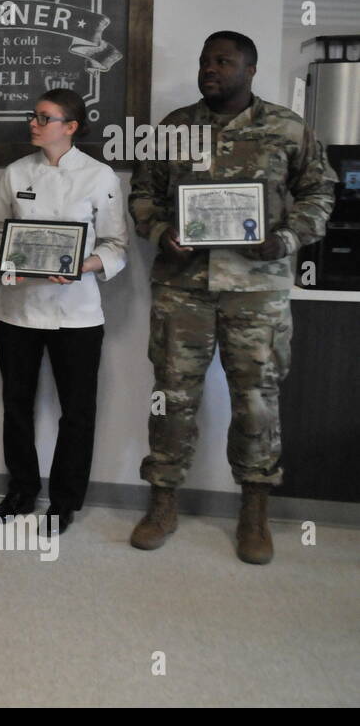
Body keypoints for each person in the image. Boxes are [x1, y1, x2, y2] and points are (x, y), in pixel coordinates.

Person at [128, 31, 335, 564]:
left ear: (251, 69)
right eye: (203, 61)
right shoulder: (174, 128)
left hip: (256, 292)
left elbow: (320, 191)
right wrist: (159, 234)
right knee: (171, 399)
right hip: (183, 289)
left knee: (257, 404)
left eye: (222, 61)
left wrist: (285, 238)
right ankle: (162, 502)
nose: (209, 69)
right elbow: (143, 192)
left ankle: (255, 511)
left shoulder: (287, 127)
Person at [0, 89, 129, 533]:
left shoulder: (100, 177)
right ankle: (21, 490)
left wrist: (84, 265)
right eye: (33, 116)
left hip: (77, 314)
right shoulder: (15, 173)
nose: (33, 123)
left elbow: (116, 245)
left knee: (77, 411)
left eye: (44, 117)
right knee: (16, 405)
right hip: (18, 311)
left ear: (71, 127)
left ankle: (64, 502)